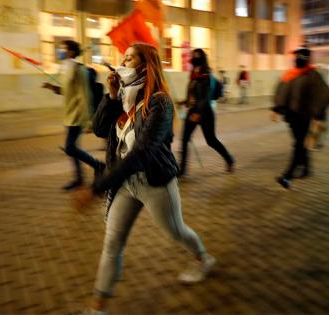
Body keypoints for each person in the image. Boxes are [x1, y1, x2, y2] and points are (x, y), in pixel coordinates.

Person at [87, 44, 216, 314]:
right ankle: (98, 307)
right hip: (124, 185)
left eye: (130, 57)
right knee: (112, 243)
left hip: (154, 181)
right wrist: (110, 95)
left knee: (175, 231)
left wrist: (98, 186)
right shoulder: (121, 96)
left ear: (145, 65)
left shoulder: (160, 102)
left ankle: (203, 258)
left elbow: (143, 152)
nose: (123, 61)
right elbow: (99, 129)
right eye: (122, 57)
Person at [43, 40, 104, 191]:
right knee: (73, 147)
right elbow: (66, 91)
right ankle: (79, 178)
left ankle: (98, 165)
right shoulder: (66, 68)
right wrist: (53, 87)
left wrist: (88, 120)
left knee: (70, 147)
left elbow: (85, 95)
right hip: (68, 114)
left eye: (63, 49)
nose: (60, 51)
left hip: (77, 114)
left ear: (70, 51)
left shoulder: (79, 69)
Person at [271, 47, 329, 189]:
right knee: (299, 143)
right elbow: (282, 92)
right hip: (292, 116)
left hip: (305, 116)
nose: (298, 59)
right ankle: (307, 169)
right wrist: (277, 109)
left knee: (298, 145)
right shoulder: (290, 74)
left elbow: (324, 94)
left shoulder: (313, 75)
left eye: (302, 57)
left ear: (307, 59)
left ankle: (288, 176)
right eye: (297, 56)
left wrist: (318, 114)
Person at [178, 49, 235, 177]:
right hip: (193, 110)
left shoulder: (206, 76)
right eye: (193, 57)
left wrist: (198, 113)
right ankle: (182, 170)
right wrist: (184, 102)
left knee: (211, 140)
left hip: (205, 113)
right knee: (184, 139)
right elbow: (192, 94)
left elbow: (205, 97)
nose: (193, 59)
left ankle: (229, 159)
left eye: (196, 57)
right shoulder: (193, 75)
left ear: (201, 60)